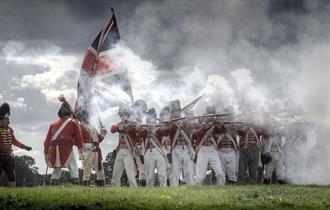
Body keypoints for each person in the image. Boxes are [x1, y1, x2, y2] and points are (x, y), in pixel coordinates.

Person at [44, 95, 84, 185]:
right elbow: (79, 138)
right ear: (70, 113)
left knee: (56, 170)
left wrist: (46, 154)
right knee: (73, 168)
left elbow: (46, 142)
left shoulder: (53, 123)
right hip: (66, 148)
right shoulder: (74, 122)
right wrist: (81, 153)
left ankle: (53, 186)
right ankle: (76, 187)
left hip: (54, 149)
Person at [163, 100, 197, 186]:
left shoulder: (185, 120)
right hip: (176, 148)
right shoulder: (170, 122)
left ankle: (191, 188)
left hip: (186, 148)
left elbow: (193, 125)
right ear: (172, 113)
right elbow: (167, 130)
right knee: (175, 171)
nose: (176, 113)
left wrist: (185, 121)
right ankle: (174, 188)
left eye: (178, 111)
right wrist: (175, 124)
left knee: (189, 170)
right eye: (174, 111)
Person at [0, 102, 32, 187]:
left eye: (8, 119)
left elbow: (14, 141)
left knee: (12, 177)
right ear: (1, 119)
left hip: (8, 158)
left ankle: (12, 196)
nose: (9, 121)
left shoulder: (10, 130)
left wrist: (25, 147)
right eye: (7, 119)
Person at [192, 108, 226, 186]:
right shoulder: (200, 124)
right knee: (200, 176)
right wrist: (206, 126)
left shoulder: (215, 125)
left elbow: (222, 131)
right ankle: (197, 189)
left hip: (212, 149)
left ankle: (221, 187)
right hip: (203, 150)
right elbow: (197, 134)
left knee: (220, 173)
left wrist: (222, 124)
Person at [136, 108, 168, 187]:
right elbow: (139, 134)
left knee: (162, 175)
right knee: (149, 177)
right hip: (148, 153)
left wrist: (166, 125)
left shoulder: (158, 128)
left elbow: (165, 131)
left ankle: (164, 190)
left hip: (159, 152)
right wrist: (139, 126)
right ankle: (150, 192)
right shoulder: (144, 129)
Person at [111, 105, 139, 187]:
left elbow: (136, 130)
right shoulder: (120, 124)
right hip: (120, 151)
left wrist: (129, 125)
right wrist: (121, 127)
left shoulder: (133, 123)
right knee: (115, 174)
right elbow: (112, 129)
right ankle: (116, 191)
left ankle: (134, 191)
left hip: (128, 151)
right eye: (120, 115)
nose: (121, 116)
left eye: (122, 114)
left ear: (127, 114)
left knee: (130, 174)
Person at [80, 111, 107, 186]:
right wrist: (88, 146)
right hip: (86, 151)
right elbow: (77, 141)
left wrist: (103, 133)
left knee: (100, 171)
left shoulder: (92, 126)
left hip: (97, 151)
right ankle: (86, 190)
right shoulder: (80, 126)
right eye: (87, 115)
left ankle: (101, 190)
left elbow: (98, 140)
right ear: (83, 116)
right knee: (86, 171)